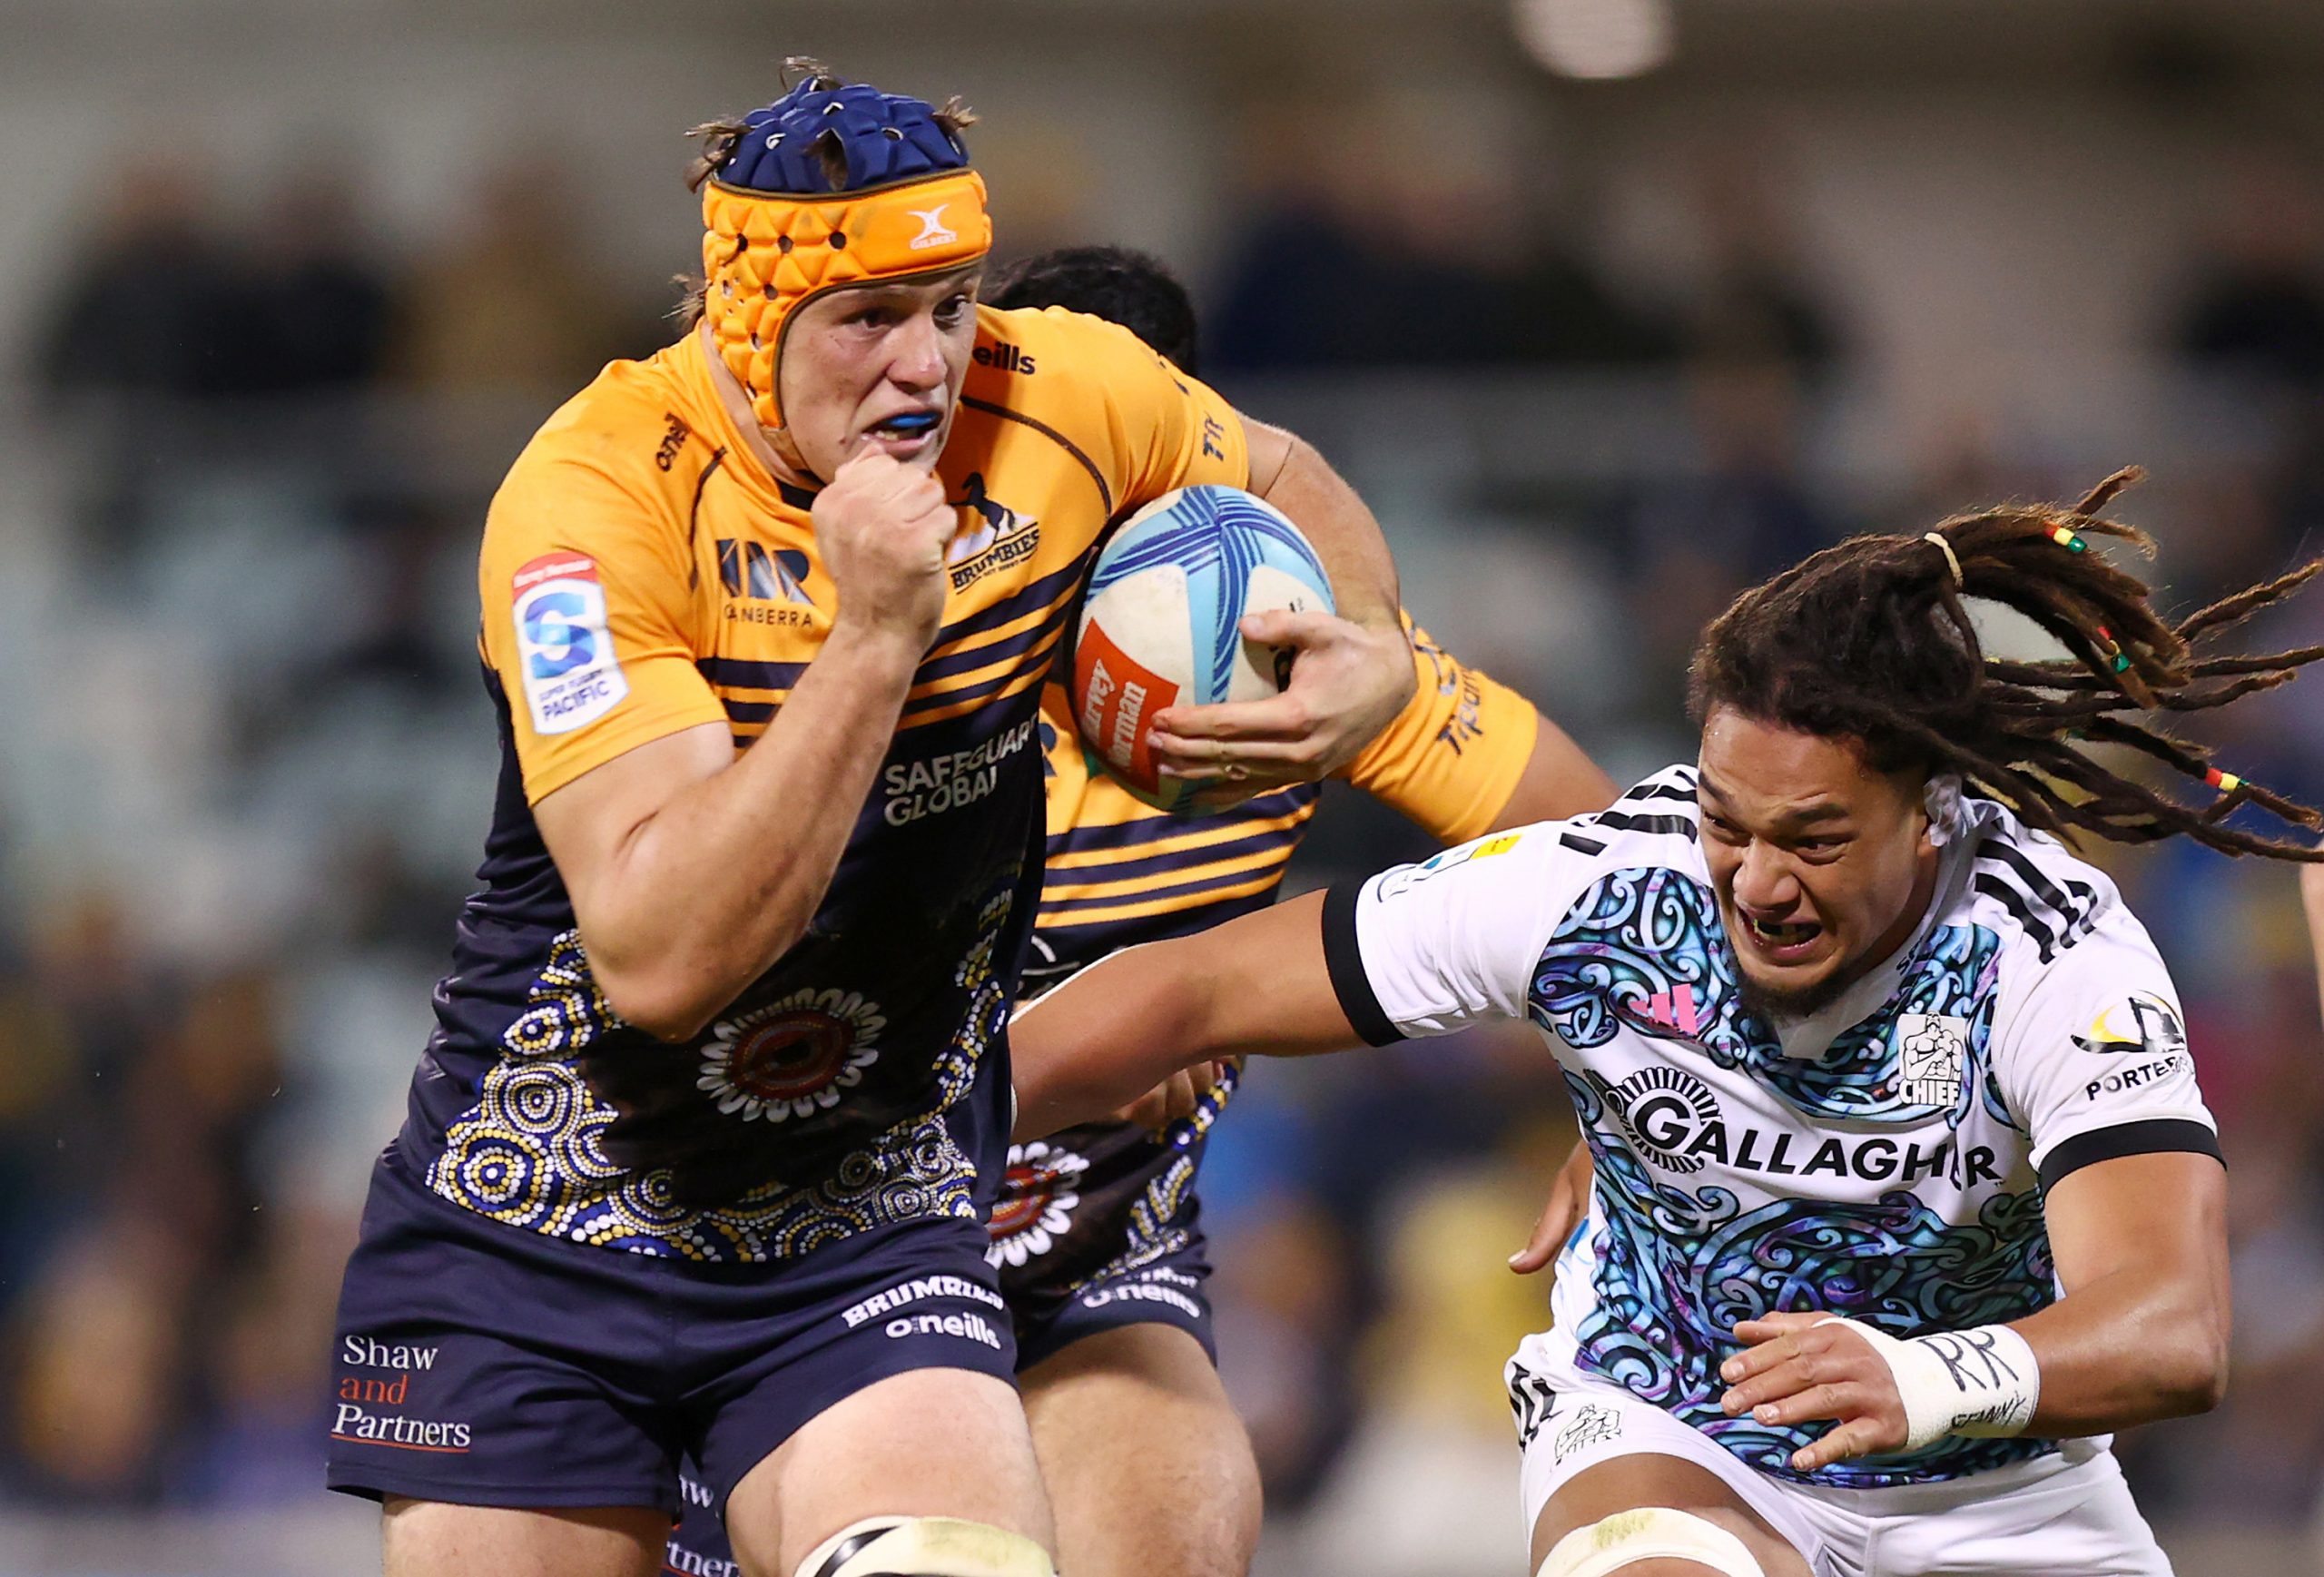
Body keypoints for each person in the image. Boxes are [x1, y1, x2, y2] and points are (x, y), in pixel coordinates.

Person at [322, 63, 1421, 1577]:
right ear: (745, 317)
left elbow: (1280, 469)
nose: (927, 367)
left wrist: (1369, 641)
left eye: (953, 304)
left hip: (867, 1214)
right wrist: (876, 636)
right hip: (546, 1233)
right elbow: (657, 952)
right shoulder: (588, 503)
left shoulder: (1062, 391)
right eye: (867, 321)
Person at [1010, 471, 2324, 1576]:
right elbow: (1181, 990)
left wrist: (1921, 1379)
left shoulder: (2051, 953)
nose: (1756, 881)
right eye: (1728, 824)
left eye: (1814, 839)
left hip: (1996, 1493)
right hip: (1669, 1432)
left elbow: (2171, 1323)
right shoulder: (1604, 887)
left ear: (1932, 809)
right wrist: (889, 1155)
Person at [660, 242, 1615, 1577]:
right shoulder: (829, 641)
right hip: (793, 1280)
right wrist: (1091, 1030)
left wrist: (1621, 1100)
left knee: (1171, 1535)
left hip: (1089, 1278)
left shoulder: (1290, 665)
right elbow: (671, 976)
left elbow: (1606, 866)